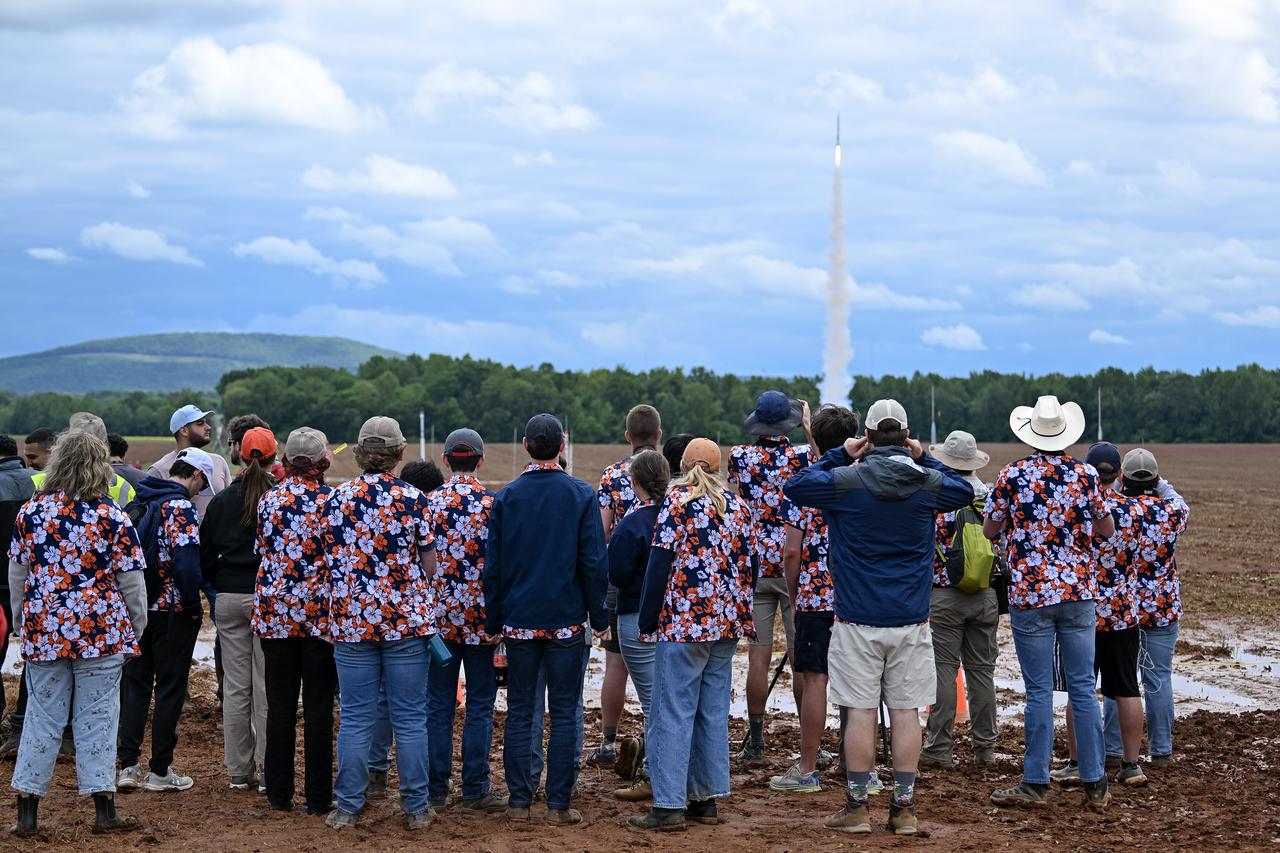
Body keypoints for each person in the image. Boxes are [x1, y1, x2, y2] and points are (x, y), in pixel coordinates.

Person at [784, 399, 973, 835]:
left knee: (861, 711)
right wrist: (924, 457)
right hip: (910, 618)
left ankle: (856, 807)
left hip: (855, 618)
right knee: (907, 713)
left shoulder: (845, 482)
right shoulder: (927, 484)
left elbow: (795, 486)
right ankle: (903, 808)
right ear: (904, 435)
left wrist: (838, 453)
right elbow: (965, 492)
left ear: (867, 436)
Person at [6, 430, 148, 836]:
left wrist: (23, 622)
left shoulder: (32, 514)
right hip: (101, 633)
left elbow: (18, 575)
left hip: (45, 631)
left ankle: (27, 813)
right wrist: (134, 628)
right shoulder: (112, 516)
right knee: (99, 718)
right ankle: (104, 811)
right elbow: (132, 583)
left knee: (41, 717)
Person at [983, 396, 1116, 811]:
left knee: (1038, 690)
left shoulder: (1012, 474)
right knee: (1082, 689)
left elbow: (989, 529)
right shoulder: (1086, 475)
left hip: (1031, 594)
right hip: (1079, 593)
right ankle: (1095, 781)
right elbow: (1107, 529)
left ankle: (1035, 781)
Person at [483, 413, 609, 826]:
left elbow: (494, 567)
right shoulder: (580, 494)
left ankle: (520, 801)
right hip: (566, 622)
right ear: (562, 445)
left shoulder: (507, 497)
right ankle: (558, 804)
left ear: (525, 446)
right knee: (566, 709)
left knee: (521, 710)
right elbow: (592, 561)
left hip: (519, 621)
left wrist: (492, 620)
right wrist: (598, 614)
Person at [627, 438, 757, 832]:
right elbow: (748, 566)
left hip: (684, 623)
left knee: (673, 711)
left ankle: (668, 805)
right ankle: (705, 799)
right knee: (711, 712)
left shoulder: (678, 504)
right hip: (726, 624)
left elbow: (660, 561)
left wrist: (648, 618)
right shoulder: (738, 506)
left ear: (681, 465)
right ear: (719, 468)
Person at [323, 416, 436, 832]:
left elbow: (330, 561)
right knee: (409, 718)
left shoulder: (336, 500)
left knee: (355, 718)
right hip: (405, 623)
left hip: (352, 624)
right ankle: (417, 808)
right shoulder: (414, 499)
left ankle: (347, 807)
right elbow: (429, 564)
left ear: (358, 453)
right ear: (399, 454)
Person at [770, 404, 861, 793]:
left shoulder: (806, 486)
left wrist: (794, 594)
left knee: (816, 680)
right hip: (858, 598)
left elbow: (791, 551)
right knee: (861, 684)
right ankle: (862, 770)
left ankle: (807, 768)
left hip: (815, 597)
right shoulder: (866, 481)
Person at [117, 447, 216, 793]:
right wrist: (192, 604)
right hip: (173, 613)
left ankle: (128, 766)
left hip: (138, 610)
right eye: (201, 485)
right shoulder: (182, 509)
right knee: (170, 688)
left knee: (135, 686)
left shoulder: (138, 502)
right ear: (197, 476)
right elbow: (187, 563)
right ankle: (160, 770)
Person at [1052, 442, 1147, 788]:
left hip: (1083, 612)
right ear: (1119, 474)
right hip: (1124, 612)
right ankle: (1131, 764)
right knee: (1126, 690)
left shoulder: (1079, 509)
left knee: (1081, 690)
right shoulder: (1135, 511)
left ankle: (1079, 761)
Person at [254, 427, 337, 815]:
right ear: (324, 460)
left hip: (276, 616)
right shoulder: (333, 502)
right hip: (321, 619)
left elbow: (262, 549)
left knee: (280, 706)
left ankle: (279, 792)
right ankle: (319, 797)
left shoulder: (269, 501)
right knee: (319, 708)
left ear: (286, 461)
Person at [424, 428, 507, 814]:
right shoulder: (494, 504)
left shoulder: (428, 504)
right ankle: (475, 789)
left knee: (437, 706)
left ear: (445, 460)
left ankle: (435, 789)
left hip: (437, 623)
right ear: (480, 459)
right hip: (483, 621)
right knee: (479, 706)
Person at [727, 391, 812, 765]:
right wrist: (809, 429)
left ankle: (757, 740)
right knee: (802, 660)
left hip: (756, 567)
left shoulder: (740, 457)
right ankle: (808, 742)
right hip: (796, 566)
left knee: (757, 657)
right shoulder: (803, 457)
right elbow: (828, 459)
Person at [919, 430, 1000, 769]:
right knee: (982, 672)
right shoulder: (991, 496)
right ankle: (985, 748)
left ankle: (939, 747)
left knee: (944, 671)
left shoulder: (936, 496)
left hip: (944, 595)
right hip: (985, 593)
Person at [202, 426, 276, 791]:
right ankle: (265, 768)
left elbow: (204, 554)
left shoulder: (220, 502)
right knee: (264, 685)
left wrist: (219, 583)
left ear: (241, 455)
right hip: (265, 597)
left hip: (229, 598)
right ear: (274, 457)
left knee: (235, 685)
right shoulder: (277, 499)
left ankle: (237, 770)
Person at [588, 404, 662, 771]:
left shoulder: (613, 474)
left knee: (615, 663)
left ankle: (607, 740)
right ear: (659, 435)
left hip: (622, 576)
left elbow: (602, 531)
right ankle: (655, 741)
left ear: (627, 435)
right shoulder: (669, 474)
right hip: (664, 579)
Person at [1110, 448, 1189, 768]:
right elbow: (1178, 500)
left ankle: (1113, 750)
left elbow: (1109, 501)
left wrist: (1118, 487)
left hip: (1123, 607)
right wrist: (1161, 484)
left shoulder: (1117, 511)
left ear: (1123, 478)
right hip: (1162, 605)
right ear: (1155, 479)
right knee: (1158, 679)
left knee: (1120, 681)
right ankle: (1162, 750)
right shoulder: (1171, 512)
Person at [606, 449, 672, 801]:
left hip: (635, 617)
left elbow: (616, 574)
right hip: (675, 620)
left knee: (653, 703)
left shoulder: (632, 524)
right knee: (670, 699)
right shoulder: (678, 518)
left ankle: (651, 776)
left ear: (634, 483)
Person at [0, 435, 36, 754]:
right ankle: (24, 722)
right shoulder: (39, 484)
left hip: (5, 581)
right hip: (37, 584)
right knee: (34, 658)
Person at [148, 405, 232, 516]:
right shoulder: (158, 470)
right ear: (184, 430)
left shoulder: (219, 462)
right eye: (200, 424)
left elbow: (230, 505)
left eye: (206, 422)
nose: (208, 427)